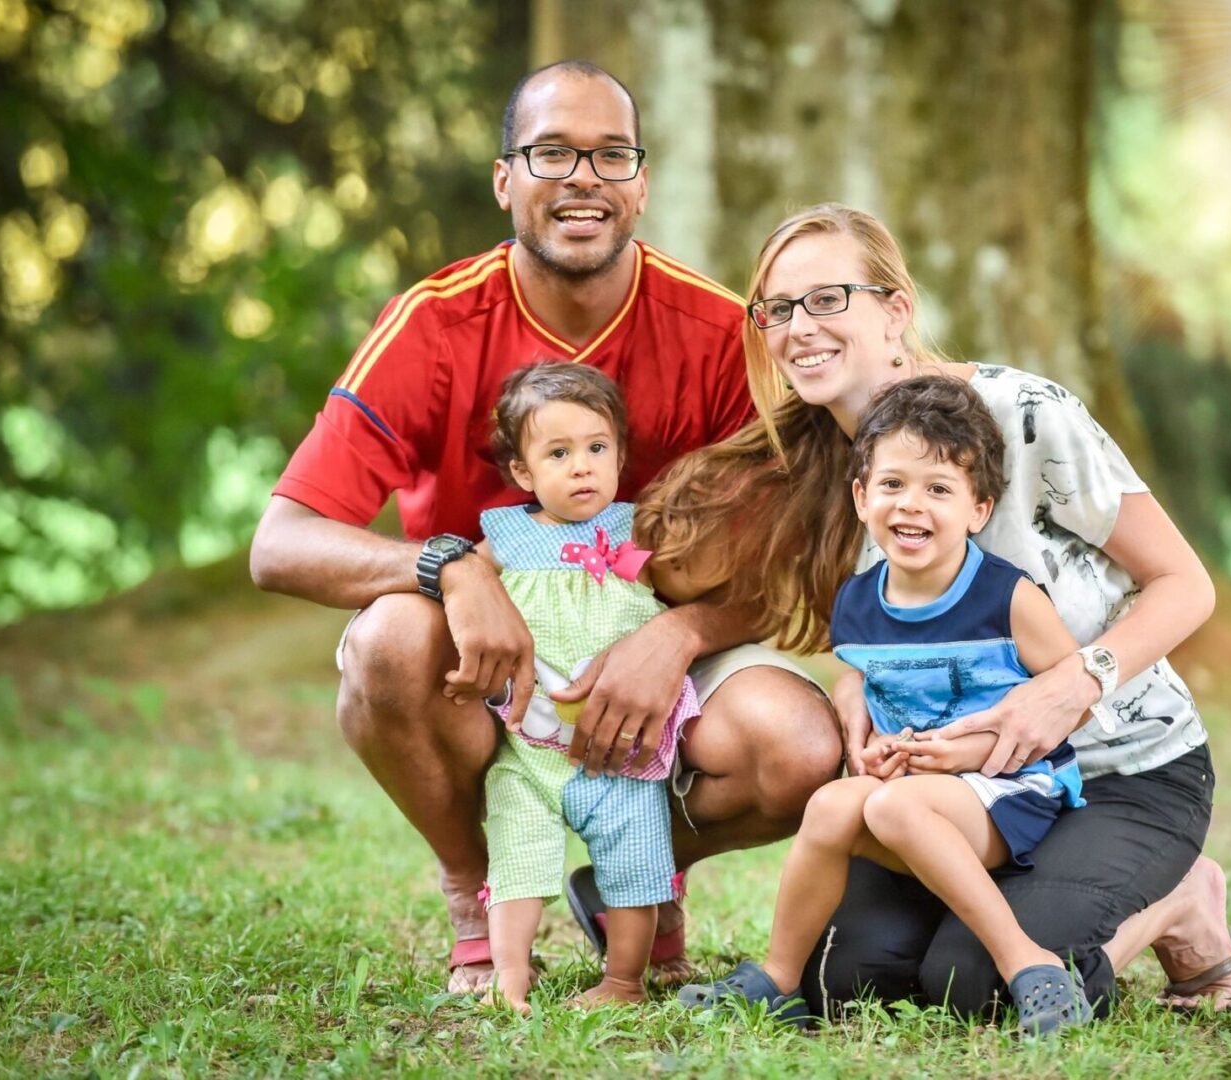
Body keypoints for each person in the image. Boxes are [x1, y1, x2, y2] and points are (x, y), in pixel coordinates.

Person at [249, 61, 841, 993]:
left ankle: (633, 870)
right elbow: (280, 542)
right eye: (551, 153)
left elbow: (786, 554)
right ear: (504, 180)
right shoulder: (436, 324)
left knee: (798, 749)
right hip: (490, 648)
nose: (582, 180)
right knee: (387, 644)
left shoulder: (723, 333)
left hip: (663, 649)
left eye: (611, 156)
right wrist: (454, 569)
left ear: (641, 184)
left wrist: (677, 633)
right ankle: (476, 888)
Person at [639, 204, 1231, 1021]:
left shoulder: (1022, 416)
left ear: (895, 312)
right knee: (848, 981)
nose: (797, 327)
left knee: (974, 985)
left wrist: (1069, 686)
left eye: (826, 299)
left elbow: (1185, 585)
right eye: (776, 308)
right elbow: (867, 629)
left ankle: (1179, 901)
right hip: (952, 790)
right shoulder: (833, 474)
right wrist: (855, 698)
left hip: (1115, 773)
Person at [679, 376, 1096, 1036]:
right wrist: (869, 737)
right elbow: (866, 683)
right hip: (913, 790)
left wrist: (969, 751)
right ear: (861, 496)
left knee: (891, 803)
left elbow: (1070, 699)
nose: (912, 505)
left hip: (1009, 789)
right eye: (893, 484)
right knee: (832, 802)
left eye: (938, 489)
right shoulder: (857, 603)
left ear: (978, 509)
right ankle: (778, 979)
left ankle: (1026, 962)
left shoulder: (1006, 599)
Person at [474, 362, 696, 1013]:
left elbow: (689, 592)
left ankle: (623, 982)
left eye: (596, 449)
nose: (581, 467)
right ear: (522, 472)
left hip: (621, 745)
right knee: (516, 854)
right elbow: (468, 590)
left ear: (620, 455)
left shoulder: (641, 528)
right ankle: (507, 976)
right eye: (559, 453)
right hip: (529, 744)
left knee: (635, 862)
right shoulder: (506, 537)